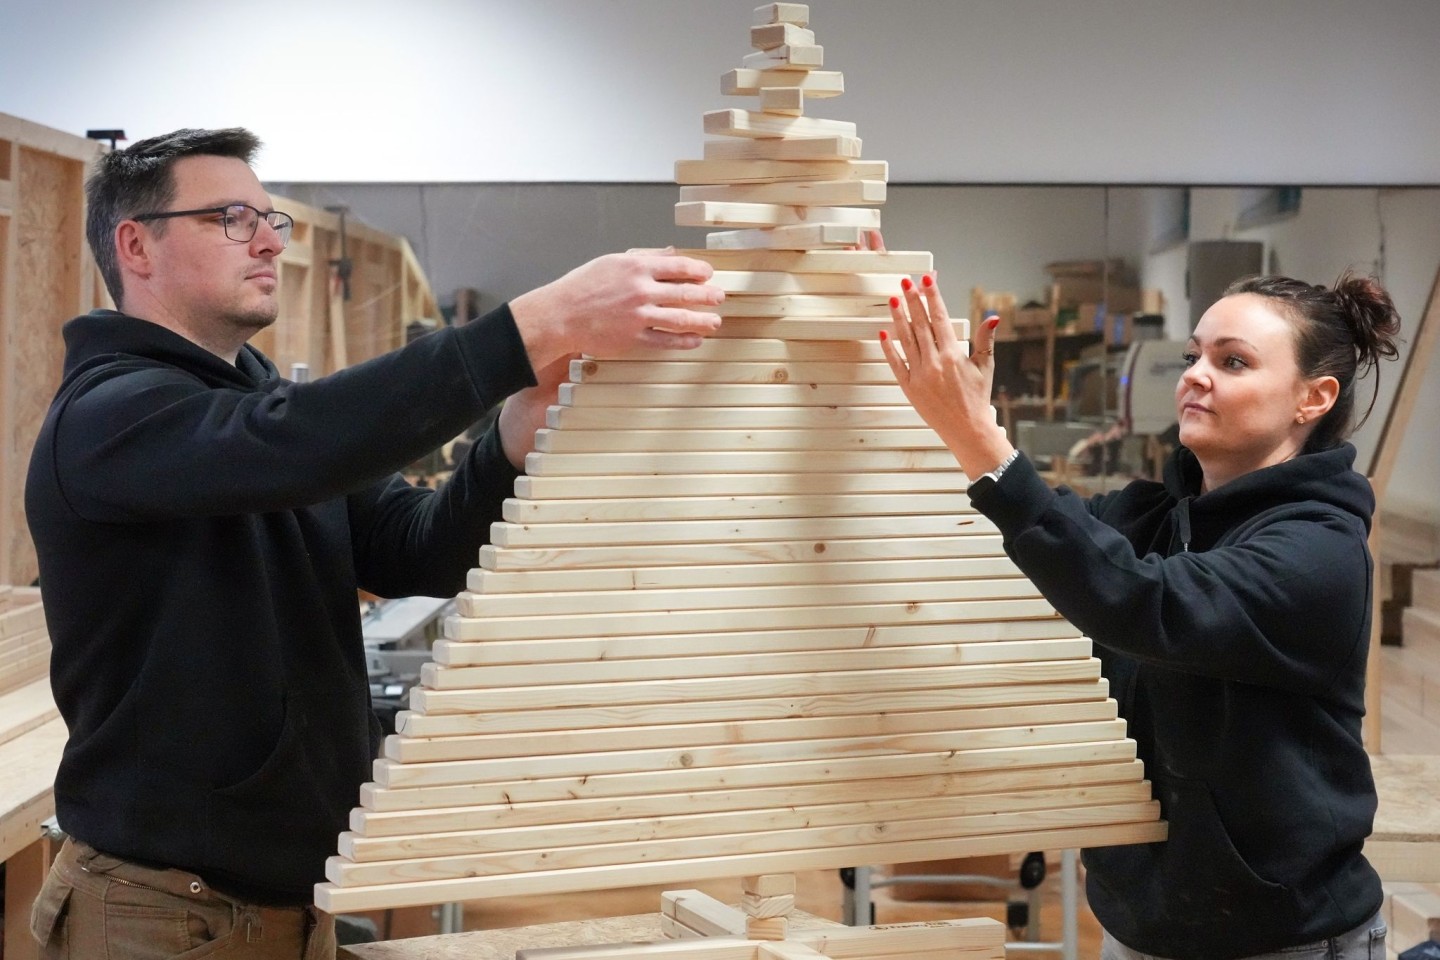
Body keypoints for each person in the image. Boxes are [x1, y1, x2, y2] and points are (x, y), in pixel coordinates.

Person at [24, 127, 724, 959]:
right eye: (229, 217)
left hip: (292, 904)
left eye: (269, 218)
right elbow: (292, 442)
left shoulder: (257, 406)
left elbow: (415, 547)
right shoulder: (109, 416)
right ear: (135, 244)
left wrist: (507, 439)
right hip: (163, 914)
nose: (266, 240)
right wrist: (537, 324)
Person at [880, 269, 1400, 960]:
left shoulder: (1318, 551)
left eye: (1232, 361)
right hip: (1142, 926)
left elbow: (1144, 601)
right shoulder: (1155, 516)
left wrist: (983, 438)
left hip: (1280, 939)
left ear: (1314, 397)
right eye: (1194, 356)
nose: (1196, 376)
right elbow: (1030, 539)